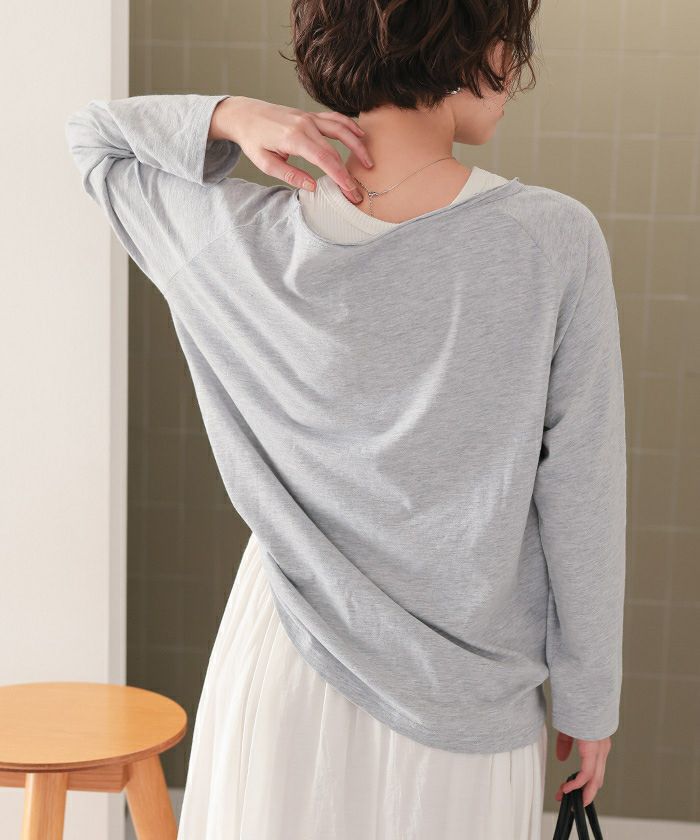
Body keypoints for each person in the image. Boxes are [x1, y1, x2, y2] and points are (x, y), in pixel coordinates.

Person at [64, 1, 626, 837]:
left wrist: (234, 117)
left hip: (281, 665)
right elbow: (583, 492)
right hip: (462, 699)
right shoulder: (552, 241)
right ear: (473, 51)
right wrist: (588, 699)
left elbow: (95, 140)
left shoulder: (234, 239)